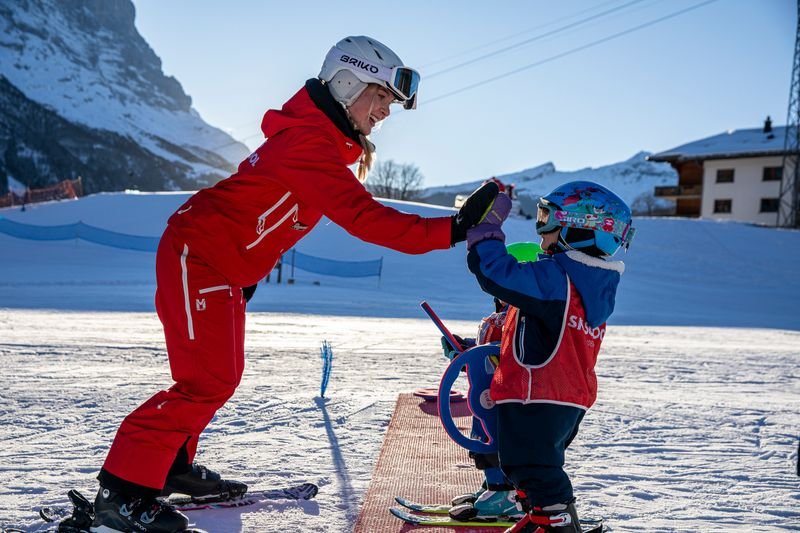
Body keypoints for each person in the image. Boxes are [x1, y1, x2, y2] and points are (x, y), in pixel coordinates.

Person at [90, 35, 502, 533]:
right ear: (349, 85)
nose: (386, 112)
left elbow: (260, 215)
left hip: (216, 266)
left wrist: (245, 273)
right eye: (381, 97)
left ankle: (169, 465)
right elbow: (367, 219)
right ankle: (122, 490)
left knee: (215, 377)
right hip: (196, 259)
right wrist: (455, 228)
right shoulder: (309, 146)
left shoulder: (315, 141)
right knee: (207, 381)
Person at [464, 181, 635, 533]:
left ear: (579, 228)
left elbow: (499, 274)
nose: (541, 236)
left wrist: (485, 233)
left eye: (547, 223)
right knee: (529, 466)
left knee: (533, 467)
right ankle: (540, 516)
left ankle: (556, 521)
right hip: (565, 398)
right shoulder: (590, 282)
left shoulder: (558, 278)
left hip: (537, 394)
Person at [441, 243, 543, 522]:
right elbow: (488, 354)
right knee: (483, 441)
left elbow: (509, 357)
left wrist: (471, 356)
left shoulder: (526, 320)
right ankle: (491, 487)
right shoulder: (501, 318)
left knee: (498, 444)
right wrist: (465, 350)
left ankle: (505, 495)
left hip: (510, 399)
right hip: (487, 397)